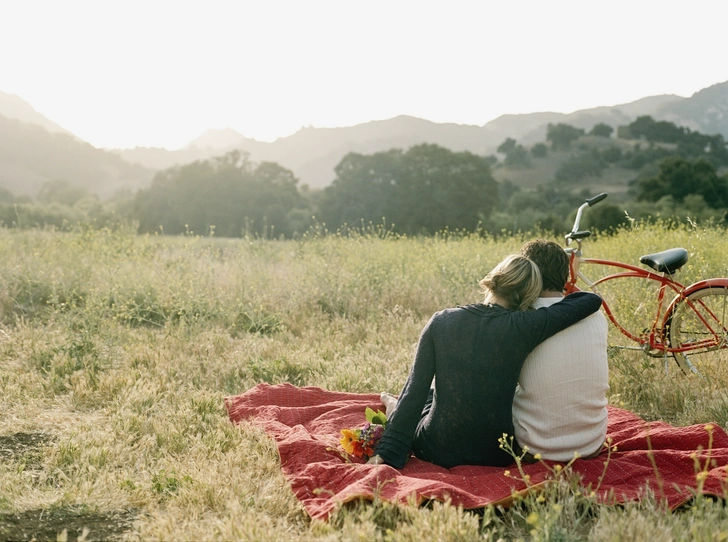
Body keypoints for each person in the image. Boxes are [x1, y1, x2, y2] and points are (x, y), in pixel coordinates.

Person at [371, 254, 602, 469]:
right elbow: (590, 299)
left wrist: (387, 453)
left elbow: (414, 392)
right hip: (497, 453)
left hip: (436, 448)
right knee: (433, 398)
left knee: (426, 397)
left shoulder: (440, 321)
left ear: (493, 280)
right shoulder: (524, 326)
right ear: (527, 296)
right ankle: (393, 405)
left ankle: (392, 406)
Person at [512, 239, 609, 461]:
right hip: (592, 443)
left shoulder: (522, 321)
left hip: (534, 448)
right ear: (565, 273)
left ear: (527, 274)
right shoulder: (595, 316)